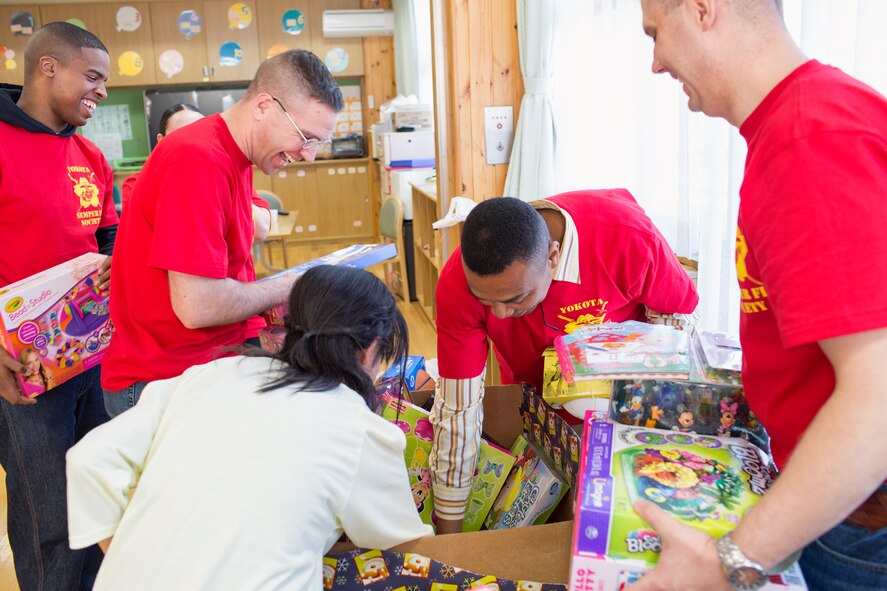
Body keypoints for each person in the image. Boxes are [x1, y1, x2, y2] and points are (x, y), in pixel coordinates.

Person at [630, 1, 887, 590]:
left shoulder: (809, 138)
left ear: (701, 11)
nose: (656, 63)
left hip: (864, 515)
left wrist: (730, 560)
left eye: (655, 34)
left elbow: (878, 394)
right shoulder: (802, 119)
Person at [66, 265, 433, 589]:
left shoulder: (210, 375)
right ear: (369, 351)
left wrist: (128, 556)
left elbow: (87, 460)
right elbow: (408, 549)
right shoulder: (358, 427)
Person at [431, 191, 699, 532]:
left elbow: (677, 326)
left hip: (626, 400)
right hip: (539, 397)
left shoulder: (627, 238)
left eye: (516, 299)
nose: (499, 314)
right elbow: (459, 408)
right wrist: (449, 533)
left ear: (553, 257)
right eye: (487, 301)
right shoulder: (459, 284)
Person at [101, 49, 343, 417]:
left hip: (201, 364)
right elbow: (197, 306)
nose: (308, 155)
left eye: (317, 144)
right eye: (304, 137)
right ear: (264, 106)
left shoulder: (236, 155)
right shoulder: (198, 160)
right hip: (164, 382)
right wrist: (287, 285)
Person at [0, 21, 116, 591]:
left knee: (100, 496)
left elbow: (107, 240)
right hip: (22, 366)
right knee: (49, 513)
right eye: (91, 77)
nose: (100, 92)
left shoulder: (89, 155)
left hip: (93, 357)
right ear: (48, 67)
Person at [120, 103, 272, 245]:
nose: (194, 142)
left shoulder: (228, 174)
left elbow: (261, 229)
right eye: (182, 135)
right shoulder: (136, 184)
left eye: (200, 133)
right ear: (161, 140)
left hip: (231, 272)